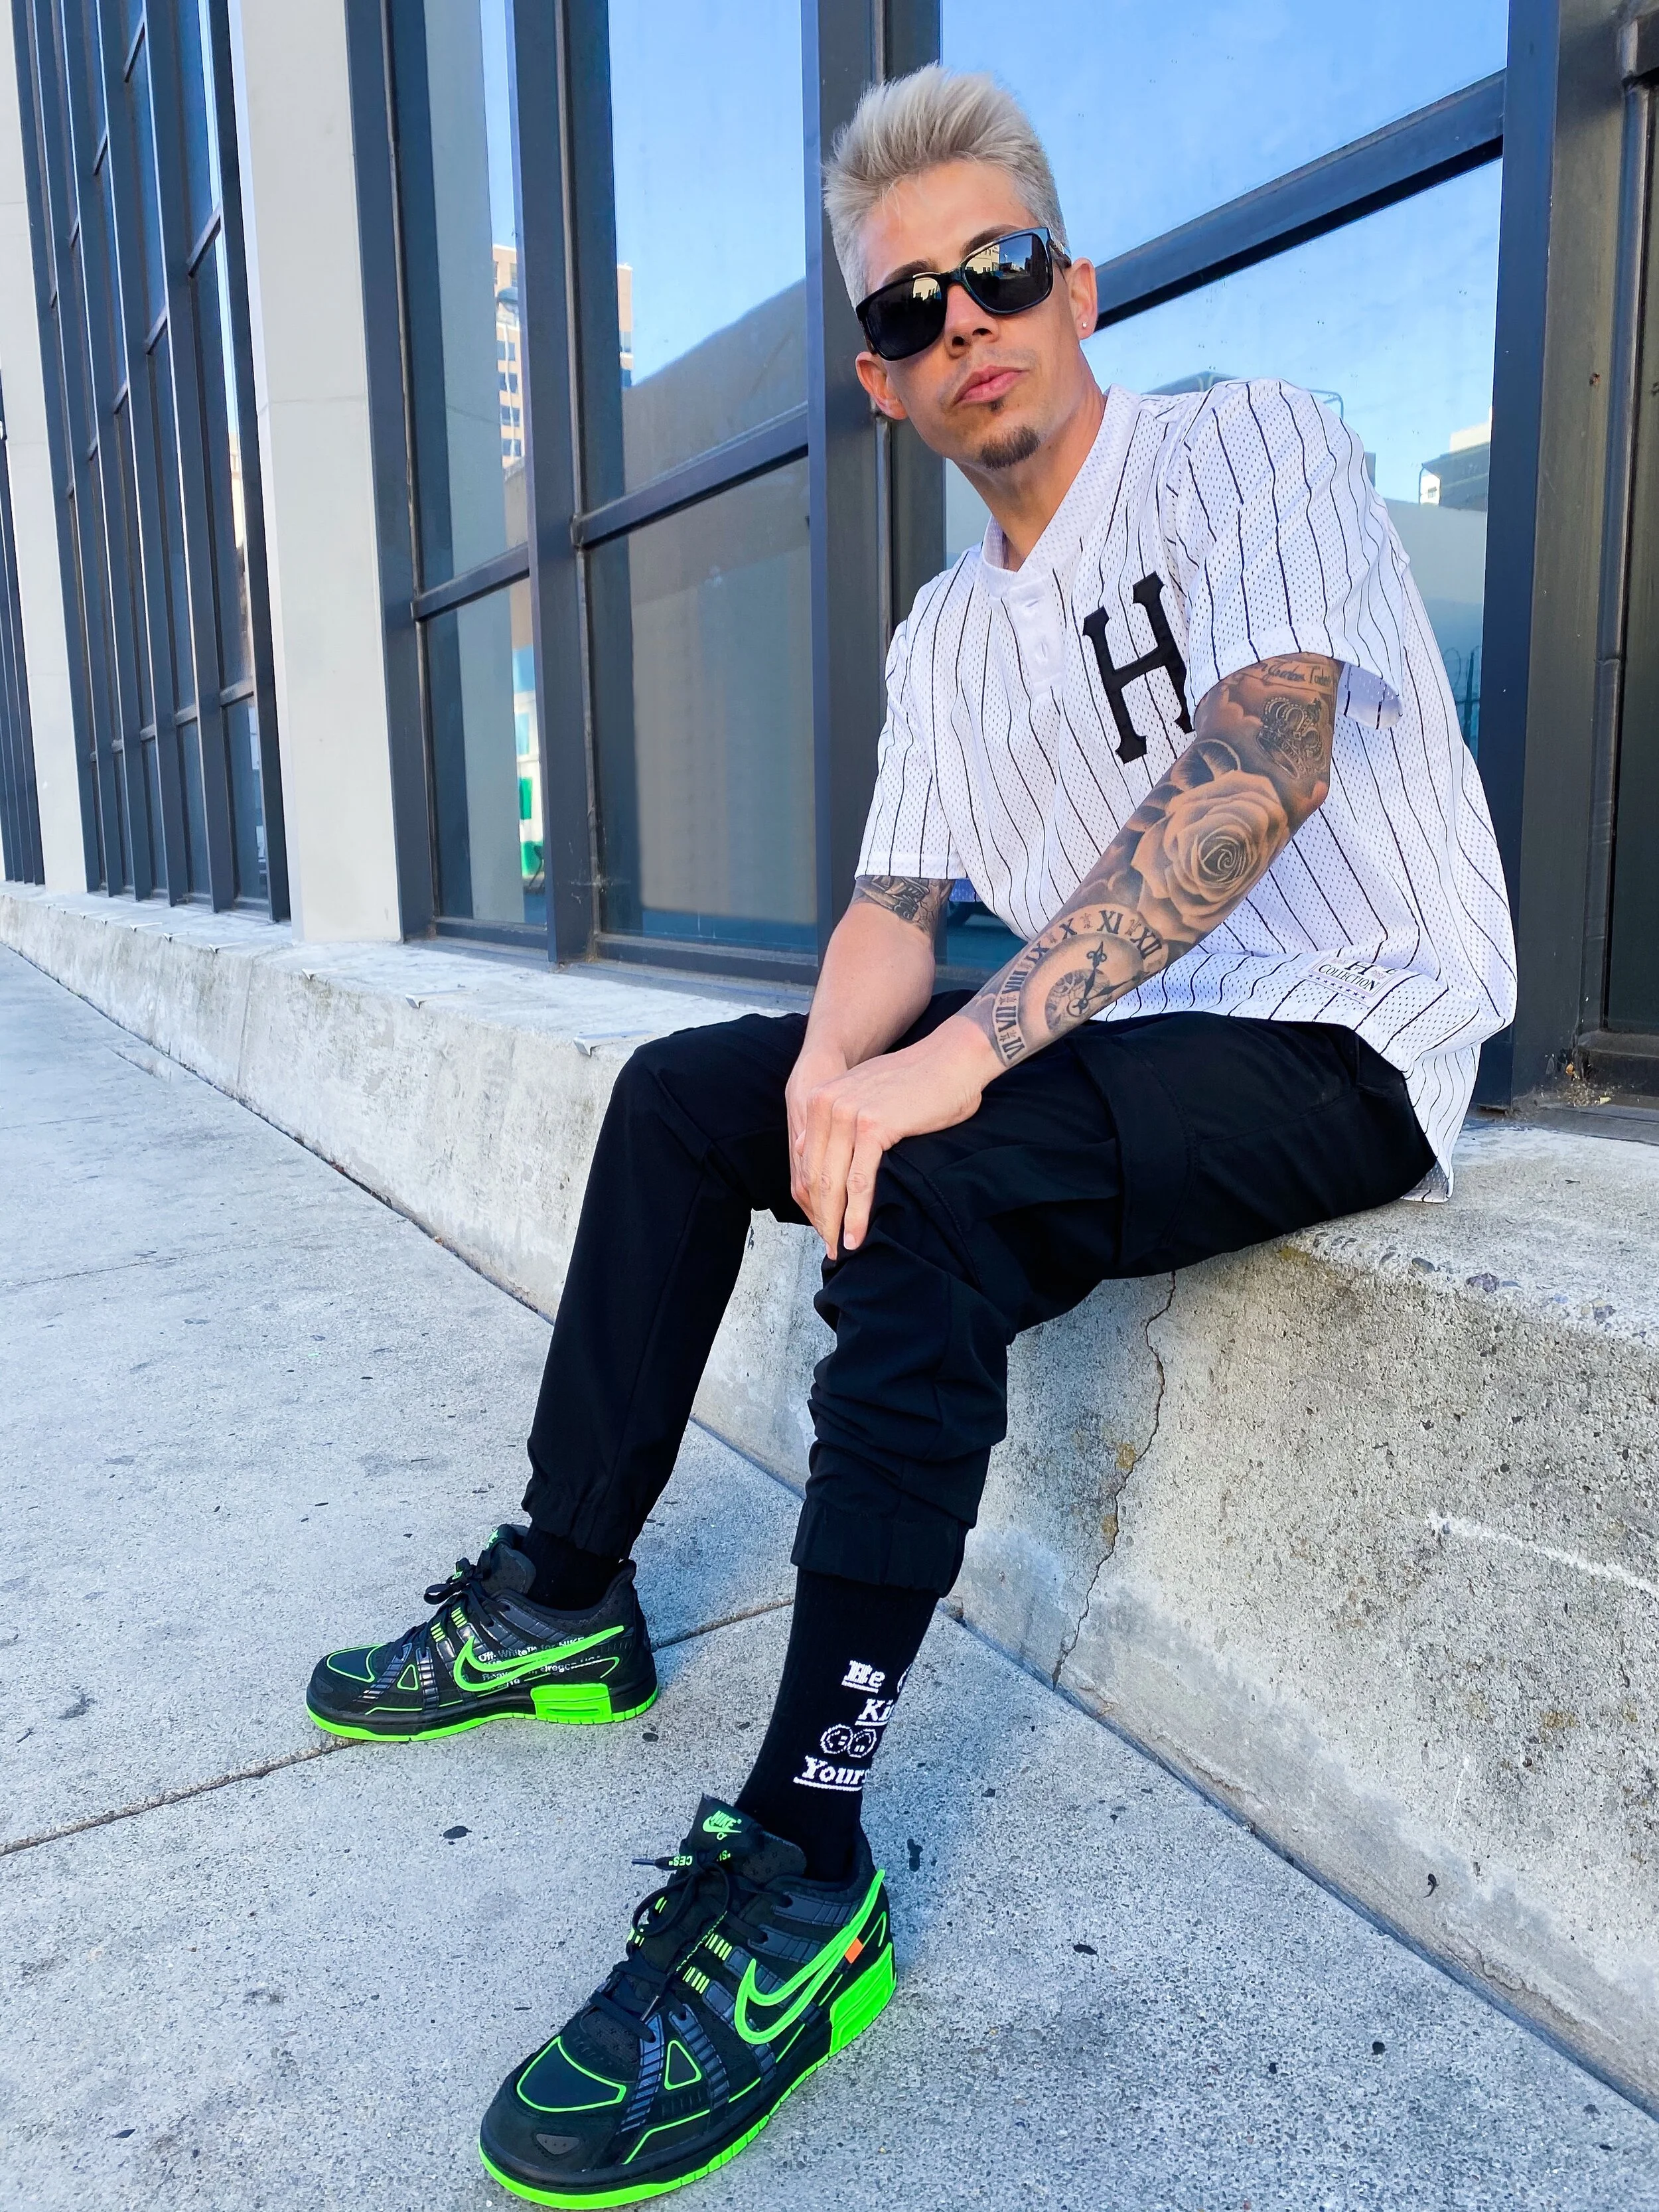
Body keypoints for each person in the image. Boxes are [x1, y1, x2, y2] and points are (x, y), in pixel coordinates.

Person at [306, 64, 1516, 2207]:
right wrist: (817, 1087)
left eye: (999, 273)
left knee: (941, 1167)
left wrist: (942, 1070)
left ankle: (801, 1862)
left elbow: (1269, 758)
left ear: (1075, 282)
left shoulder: (1250, 441)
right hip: (1117, 1042)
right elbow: (889, 909)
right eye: (905, 311)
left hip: (1342, 1028)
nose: (960, 324)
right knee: (689, 1097)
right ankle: (563, 1594)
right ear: (879, 379)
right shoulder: (946, 631)